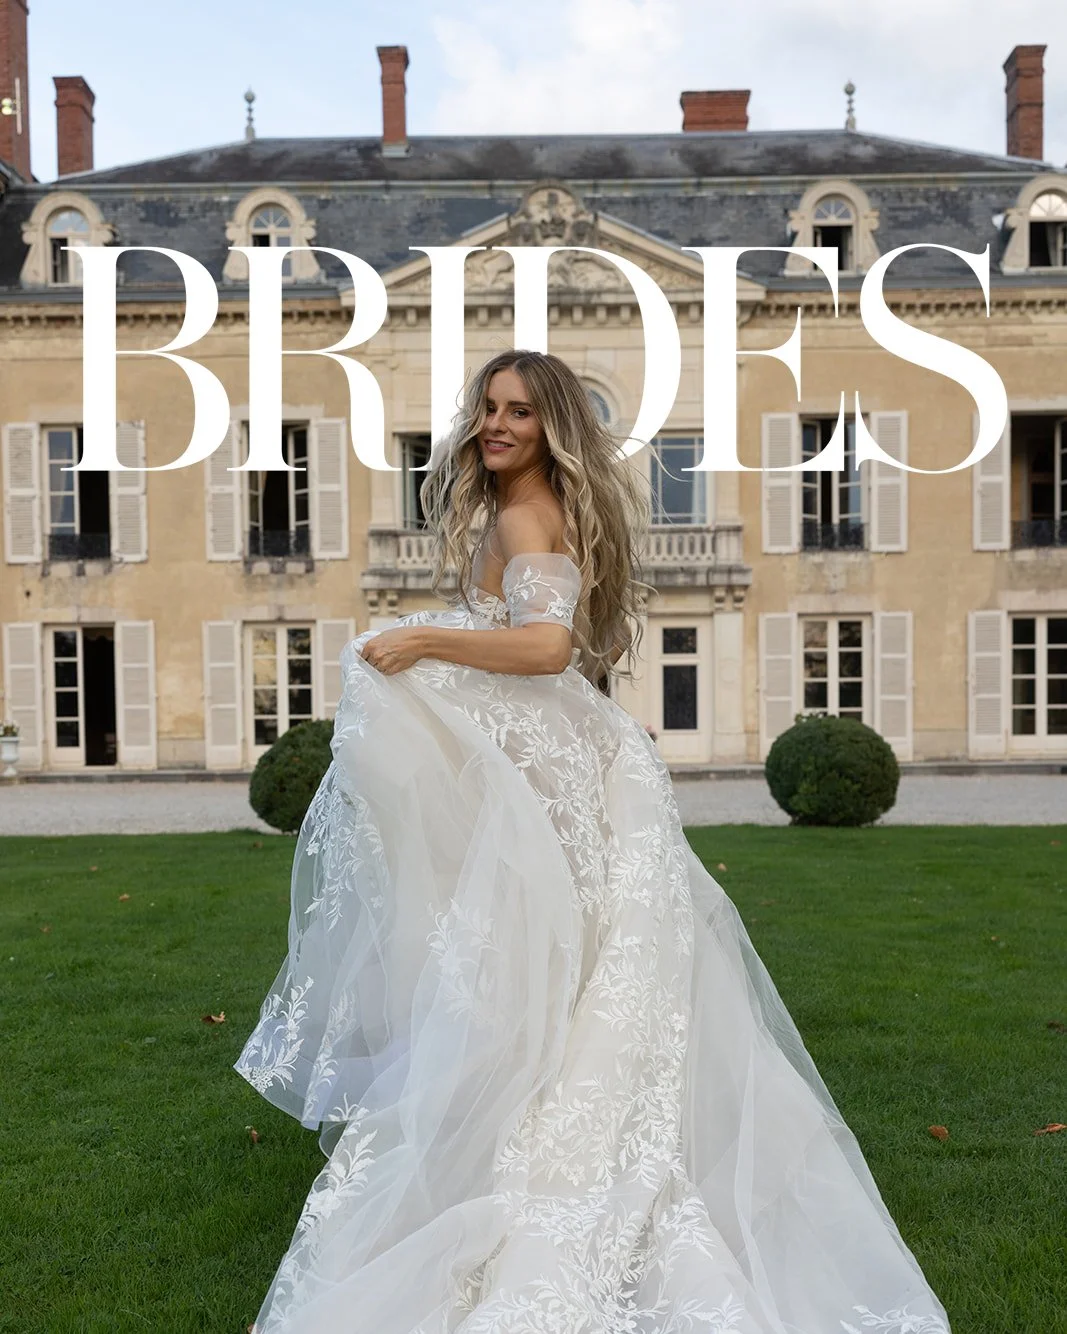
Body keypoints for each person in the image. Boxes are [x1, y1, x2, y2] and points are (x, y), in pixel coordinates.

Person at [234, 350, 951, 1334]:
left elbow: (544, 649)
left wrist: (421, 640)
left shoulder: (529, 518)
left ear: (550, 424)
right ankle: (548, 1160)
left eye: (518, 411)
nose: (495, 425)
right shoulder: (512, 510)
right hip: (577, 777)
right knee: (566, 988)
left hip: (582, 789)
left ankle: (568, 1185)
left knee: (568, 984)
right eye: (486, 407)